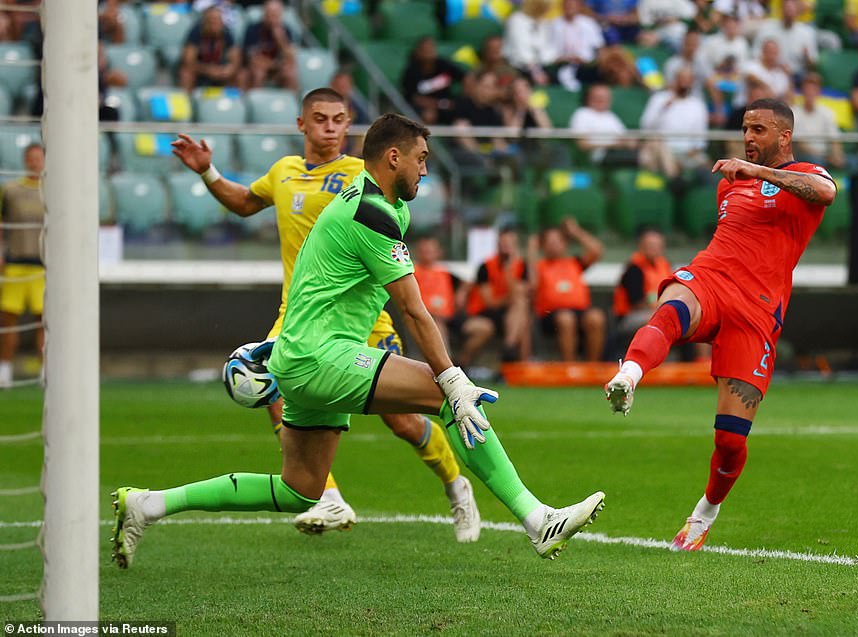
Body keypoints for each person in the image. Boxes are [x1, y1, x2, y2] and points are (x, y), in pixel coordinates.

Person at [113, 113, 605, 568]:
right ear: (395, 158)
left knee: (301, 490)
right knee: (446, 397)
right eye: (421, 160)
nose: (425, 172)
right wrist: (454, 379)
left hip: (301, 359)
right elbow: (414, 308)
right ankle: (537, 519)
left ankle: (149, 504)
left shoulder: (377, 205)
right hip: (319, 356)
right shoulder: (371, 212)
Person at [165, 89, 481, 546]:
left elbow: (394, 225)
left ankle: (456, 484)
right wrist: (209, 172)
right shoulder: (283, 173)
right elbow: (244, 203)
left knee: (404, 421)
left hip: (364, 322)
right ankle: (327, 495)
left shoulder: (362, 175)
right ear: (302, 125)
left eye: (338, 120)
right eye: (320, 119)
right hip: (299, 319)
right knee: (275, 391)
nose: (330, 128)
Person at [605, 98, 837, 551]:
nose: (748, 138)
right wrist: (747, 176)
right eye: (744, 129)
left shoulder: (806, 174)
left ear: (784, 137)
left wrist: (761, 174)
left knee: (730, 441)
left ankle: (704, 514)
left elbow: (825, 193)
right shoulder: (728, 184)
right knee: (673, 307)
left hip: (757, 311)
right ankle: (628, 375)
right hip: (712, 279)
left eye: (759, 130)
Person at [528, 218, 607, 361]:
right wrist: (532, 249)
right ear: (543, 246)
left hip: (580, 311)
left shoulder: (574, 263)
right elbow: (532, 283)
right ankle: (569, 365)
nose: (553, 245)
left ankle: (593, 365)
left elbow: (596, 250)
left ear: (565, 244)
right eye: (549, 242)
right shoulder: (540, 266)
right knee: (566, 319)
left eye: (557, 241)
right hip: (550, 315)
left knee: (596, 317)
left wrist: (576, 231)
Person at [0, 144, 44, 389]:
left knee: (45, 321)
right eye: (32, 158)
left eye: (39, 158)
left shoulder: (52, 189)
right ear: (26, 160)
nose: (35, 162)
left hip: (42, 265)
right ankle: (5, 370)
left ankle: (45, 370)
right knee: (8, 320)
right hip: (16, 264)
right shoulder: (11, 190)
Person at [464, 226, 533, 363]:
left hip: (510, 314)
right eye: (503, 244)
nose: (506, 248)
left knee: (522, 314)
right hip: (485, 312)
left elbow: (523, 292)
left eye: (510, 244)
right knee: (521, 312)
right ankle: (511, 354)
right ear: (497, 245)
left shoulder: (521, 266)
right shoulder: (485, 266)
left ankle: (512, 353)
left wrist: (509, 274)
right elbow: (490, 302)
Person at [639, 65, 710, 180]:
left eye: (688, 80)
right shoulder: (659, 99)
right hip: (661, 149)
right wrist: (663, 108)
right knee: (657, 145)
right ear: (674, 80)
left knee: (707, 167)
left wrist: (694, 150)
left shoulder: (698, 105)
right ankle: (674, 180)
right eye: (681, 79)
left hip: (688, 152)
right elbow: (645, 127)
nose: (684, 84)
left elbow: (701, 138)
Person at [612, 227, 673, 341]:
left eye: (657, 245)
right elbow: (636, 303)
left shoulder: (665, 266)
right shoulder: (634, 269)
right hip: (630, 316)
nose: (654, 248)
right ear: (641, 246)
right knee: (659, 319)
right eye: (650, 245)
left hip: (658, 311)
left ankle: (698, 358)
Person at [412, 235, 470, 349]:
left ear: (438, 253)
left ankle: (462, 361)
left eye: (430, 251)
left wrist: (461, 293)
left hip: (451, 315)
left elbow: (467, 282)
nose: (427, 254)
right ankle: (445, 364)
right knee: (437, 326)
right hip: (429, 316)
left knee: (481, 328)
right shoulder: (413, 272)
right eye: (424, 251)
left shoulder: (444, 271)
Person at [401, 36, 465, 125]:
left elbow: (465, 78)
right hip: (424, 108)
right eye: (425, 50)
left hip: (446, 105)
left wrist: (462, 97)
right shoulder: (411, 71)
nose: (429, 52)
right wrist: (441, 104)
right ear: (418, 52)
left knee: (464, 111)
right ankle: (426, 138)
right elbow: (414, 98)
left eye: (431, 48)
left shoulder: (444, 65)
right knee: (429, 115)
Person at [179, 5, 243, 91]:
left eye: (217, 21)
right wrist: (207, 70)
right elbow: (188, 61)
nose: (214, 24)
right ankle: (187, 101)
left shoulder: (227, 33)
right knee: (186, 73)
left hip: (220, 71)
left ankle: (232, 103)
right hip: (201, 70)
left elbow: (236, 59)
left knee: (240, 75)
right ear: (205, 22)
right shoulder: (196, 32)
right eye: (211, 21)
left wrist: (228, 70)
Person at [792, 72, 846, 169]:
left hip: (826, 156)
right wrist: (826, 157)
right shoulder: (794, 112)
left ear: (818, 92)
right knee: (816, 161)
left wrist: (838, 156)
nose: (810, 92)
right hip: (805, 157)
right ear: (802, 91)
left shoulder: (827, 112)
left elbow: (835, 139)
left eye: (813, 90)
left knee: (853, 161)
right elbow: (800, 145)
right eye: (807, 89)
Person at [751, 0, 818, 78]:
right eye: (787, 7)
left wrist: (807, 58)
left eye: (792, 8)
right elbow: (755, 54)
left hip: (798, 75)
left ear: (798, 11)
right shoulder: (767, 27)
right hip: (770, 72)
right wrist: (775, 64)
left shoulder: (807, 32)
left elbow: (813, 65)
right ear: (781, 10)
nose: (789, 11)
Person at [242, 0, 297, 90]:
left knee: (290, 73)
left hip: (277, 68)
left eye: (275, 15)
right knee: (259, 73)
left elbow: (291, 58)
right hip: (259, 68)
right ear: (264, 13)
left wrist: (281, 40)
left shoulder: (286, 30)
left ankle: (290, 103)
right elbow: (253, 59)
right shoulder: (253, 29)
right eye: (269, 14)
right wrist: (274, 64)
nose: (272, 18)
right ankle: (256, 102)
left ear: (280, 15)